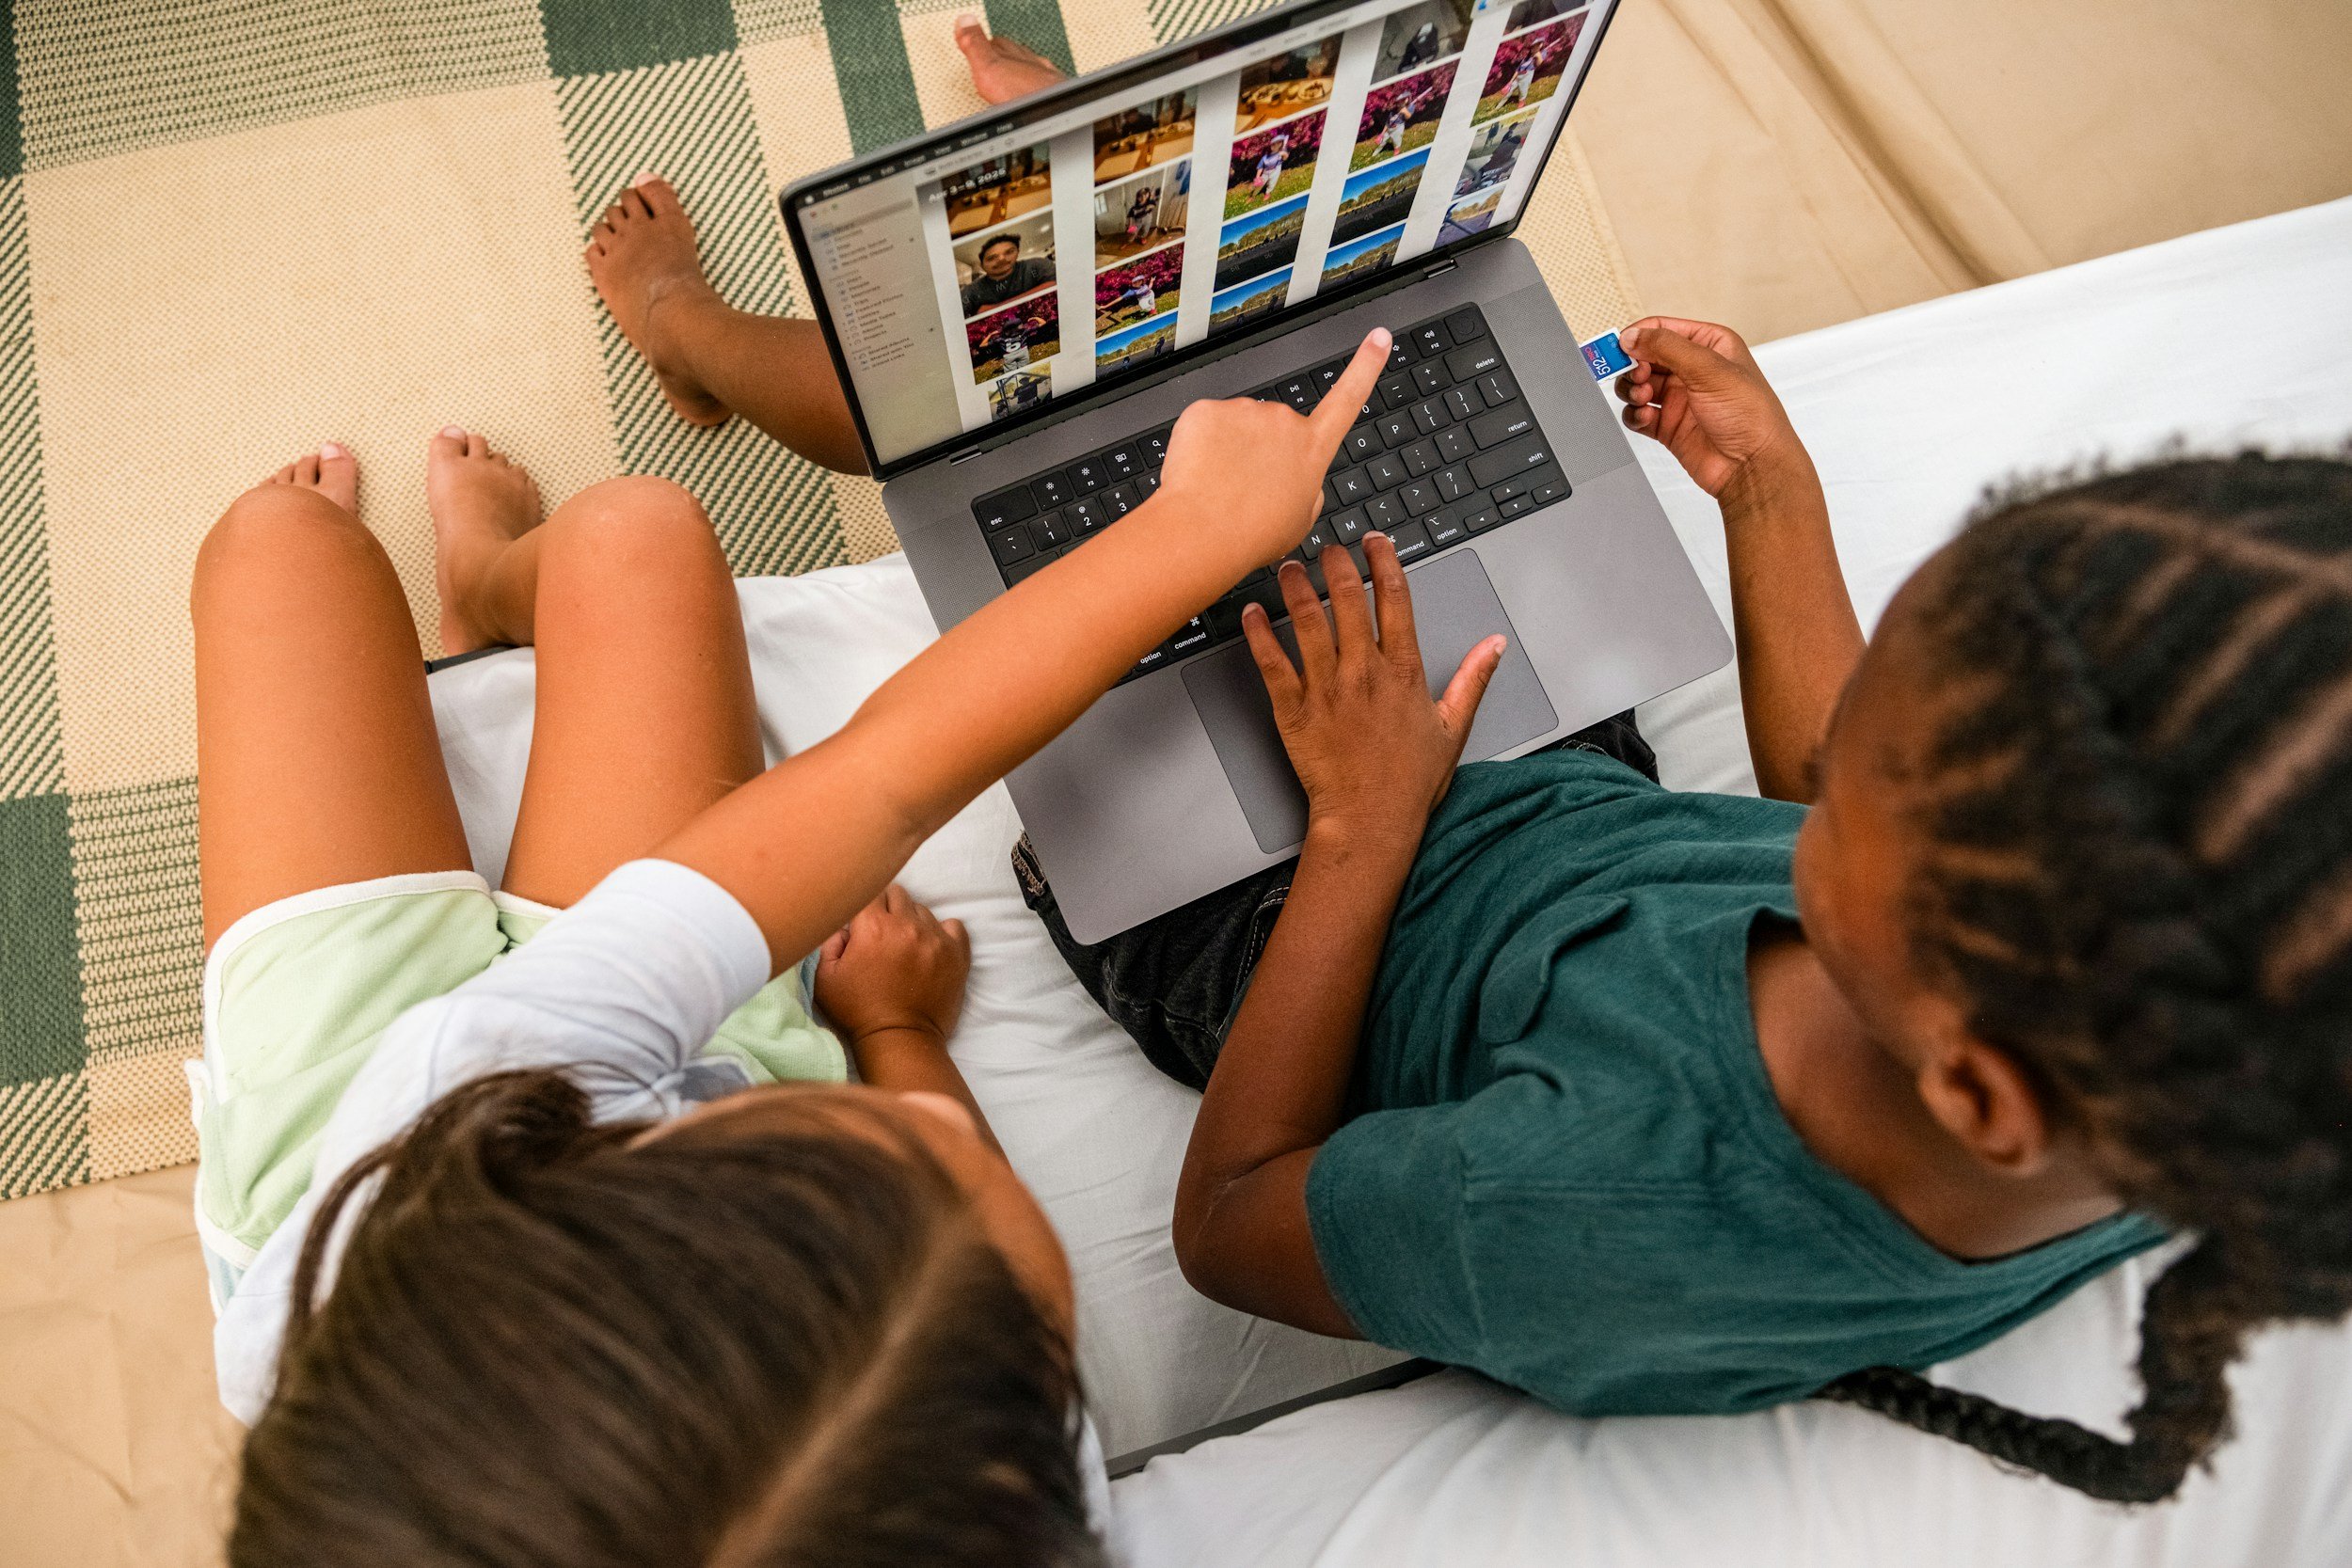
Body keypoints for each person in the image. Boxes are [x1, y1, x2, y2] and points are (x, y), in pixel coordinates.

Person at [1014, 315, 2352, 1505]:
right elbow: (1824, 784)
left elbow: (1231, 1221)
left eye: (1872, 786)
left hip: (1292, 924)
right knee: (1355, 409)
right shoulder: (2197, 1088)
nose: (1835, 769)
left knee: (1088, 513)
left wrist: (1366, 823)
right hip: (1571, 807)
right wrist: (1770, 493)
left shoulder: (1570, 1210)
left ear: (1984, 1085)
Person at [198, 290, 1400, 1558]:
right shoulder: (979, 1486)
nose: (938, 1127)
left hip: (372, 1152)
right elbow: (880, 788)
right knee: (639, 534)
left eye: (865, 1136)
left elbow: (874, 782)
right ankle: (496, 596)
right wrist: (886, 1029)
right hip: (584, 1137)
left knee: (278, 544)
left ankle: (482, 600)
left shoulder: (448, 1126)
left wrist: (1196, 529)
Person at [961, 232, 1057, 317]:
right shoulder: (971, 291)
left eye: (1009, 252)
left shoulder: (1037, 265)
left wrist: (995, 309)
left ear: (1017, 252)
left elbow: (1057, 284)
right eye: (991, 258)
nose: (1001, 259)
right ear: (982, 266)